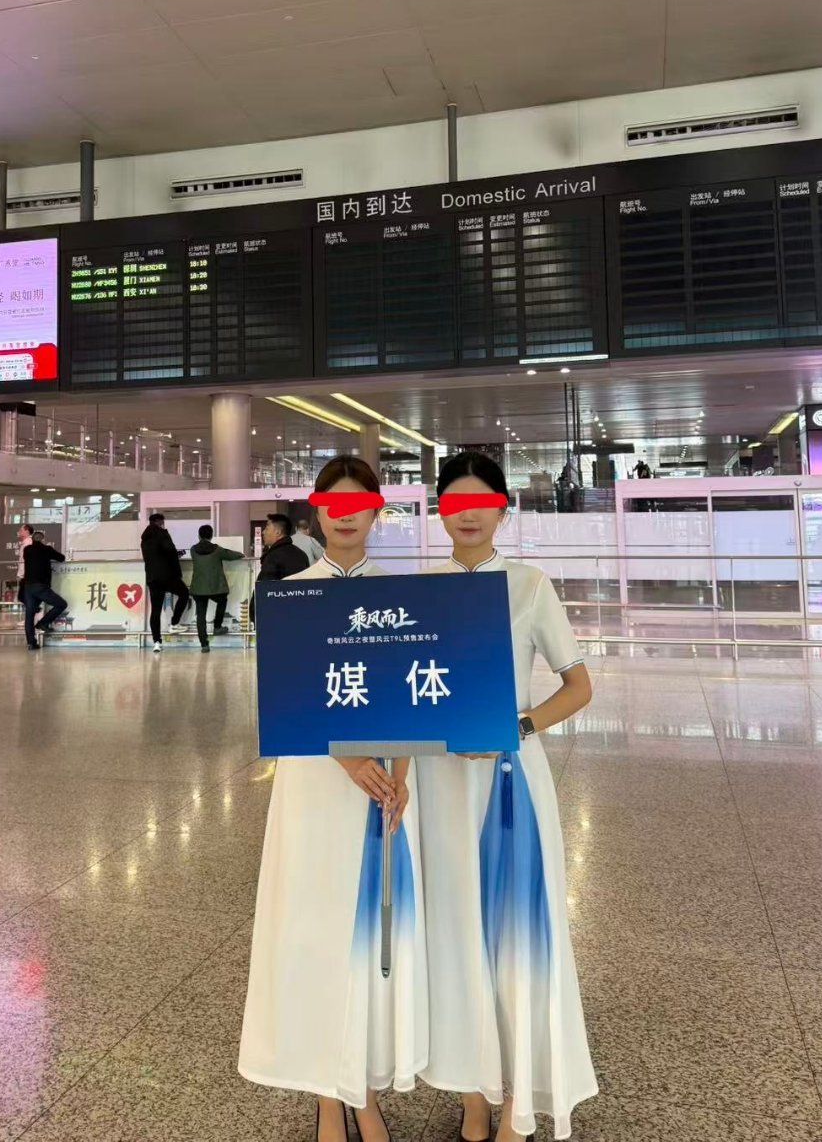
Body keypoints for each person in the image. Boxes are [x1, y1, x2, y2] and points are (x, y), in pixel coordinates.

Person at [240, 456, 427, 1142]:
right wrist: (345, 756)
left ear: (377, 511)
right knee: (313, 928)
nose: (345, 516)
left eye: (359, 505)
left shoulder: (401, 595)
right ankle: (327, 1094)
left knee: (371, 935)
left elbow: (414, 692)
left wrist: (400, 772)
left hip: (383, 789)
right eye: (332, 505)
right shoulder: (290, 595)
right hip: (315, 782)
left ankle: (363, 1088)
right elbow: (282, 694)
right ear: (317, 512)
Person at [417, 451, 596, 1142]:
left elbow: (578, 687)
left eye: (481, 503)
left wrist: (515, 727)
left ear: (502, 510)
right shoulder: (422, 591)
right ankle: (472, 1095)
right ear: (440, 513)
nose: (467, 515)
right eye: (453, 503)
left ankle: (519, 1098)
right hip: (438, 784)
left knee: (514, 936)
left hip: (509, 783)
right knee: (453, 931)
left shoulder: (528, 585)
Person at [140, 511, 190, 652]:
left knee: (155, 610)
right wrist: (177, 555)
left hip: (152, 578)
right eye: (163, 522)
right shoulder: (162, 534)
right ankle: (174, 623)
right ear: (160, 522)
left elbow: (154, 555)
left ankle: (157, 642)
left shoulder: (144, 539)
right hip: (167, 576)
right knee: (184, 593)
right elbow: (170, 550)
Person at [189, 524, 243, 652]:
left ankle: (204, 645)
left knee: (201, 616)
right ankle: (217, 627)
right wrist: (241, 554)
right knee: (222, 600)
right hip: (215, 588)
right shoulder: (217, 550)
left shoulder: (193, 550)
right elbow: (231, 555)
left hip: (198, 588)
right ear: (211, 535)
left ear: (199, 535)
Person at [250, 513, 309, 625]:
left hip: (275, 619)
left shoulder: (274, 557)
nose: (263, 532)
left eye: (267, 528)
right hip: (299, 616)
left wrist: (254, 614)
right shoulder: (301, 554)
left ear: (278, 532)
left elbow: (265, 589)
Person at [22, 528, 67, 650]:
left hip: (28, 587)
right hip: (41, 586)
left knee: (29, 615)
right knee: (61, 604)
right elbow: (61, 558)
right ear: (43, 539)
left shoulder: (27, 550)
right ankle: (43, 623)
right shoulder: (47, 549)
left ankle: (31, 643)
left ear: (32, 539)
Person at [15, 522, 33, 604]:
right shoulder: (26, 543)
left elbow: (26, 560)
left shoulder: (28, 543)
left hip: (27, 575)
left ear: (27, 531)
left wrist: (22, 574)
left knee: (23, 596)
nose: (19, 532)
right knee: (23, 596)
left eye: (21, 530)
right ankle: (34, 608)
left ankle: (35, 608)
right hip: (26, 574)